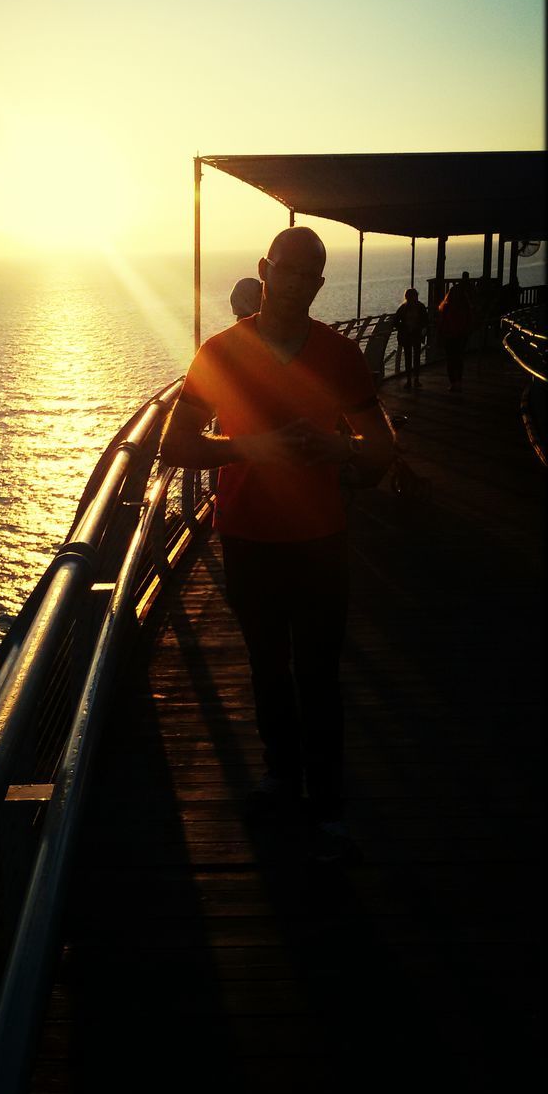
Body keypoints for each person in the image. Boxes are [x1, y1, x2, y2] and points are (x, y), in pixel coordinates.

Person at [161, 226, 395, 863]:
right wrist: (247, 448)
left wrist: (339, 448)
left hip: (322, 536)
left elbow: (382, 449)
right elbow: (174, 446)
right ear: (264, 270)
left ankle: (325, 799)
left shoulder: (341, 356)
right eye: (286, 271)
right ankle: (280, 774)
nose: (296, 284)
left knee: (318, 671)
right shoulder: (219, 354)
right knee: (268, 665)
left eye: (309, 275)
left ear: (320, 282)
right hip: (249, 536)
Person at [438, 271, 474, 392]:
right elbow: (468, 322)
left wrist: (441, 334)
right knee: (458, 359)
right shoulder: (465, 308)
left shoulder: (446, 308)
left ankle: (453, 382)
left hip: (450, 336)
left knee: (451, 360)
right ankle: (458, 381)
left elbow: (442, 323)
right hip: (461, 336)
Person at [393, 287, 429, 390]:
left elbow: (395, 322)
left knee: (410, 357)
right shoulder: (420, 307)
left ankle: (411, 380)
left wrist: (403, 328)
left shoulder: (403, 308)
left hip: (408, 335)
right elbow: (426, 320)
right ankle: (414, 379)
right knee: (414, 357)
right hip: (414, 335)